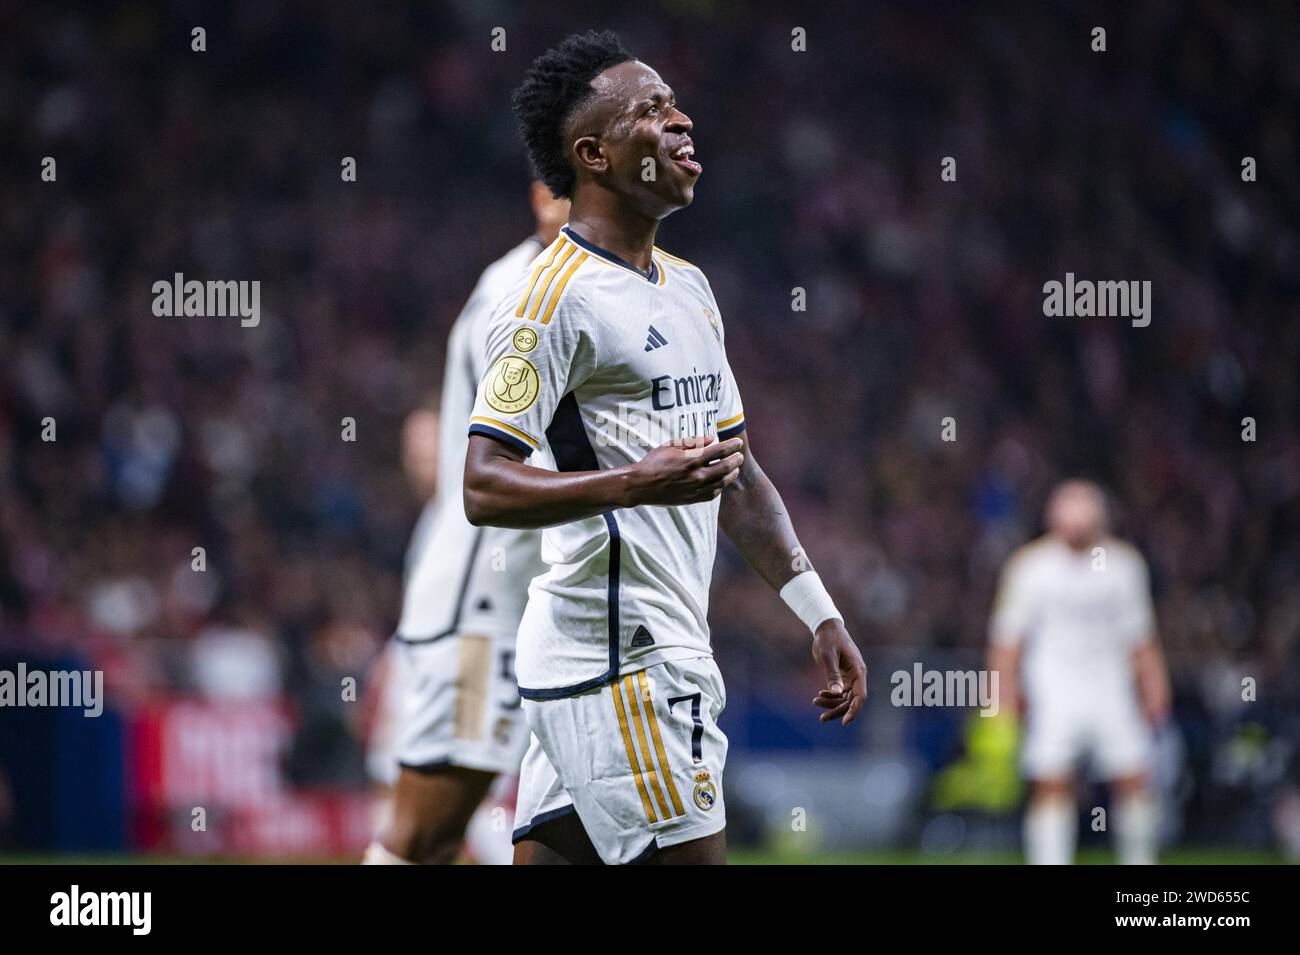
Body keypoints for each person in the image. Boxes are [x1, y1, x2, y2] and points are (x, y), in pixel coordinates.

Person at [463, 31, 867, 865]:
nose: (682, 121)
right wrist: (633, 482)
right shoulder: (546, 302)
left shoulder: (688, 286)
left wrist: (816, 609)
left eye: (674, 102)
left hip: (625, 655)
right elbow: (484, 484)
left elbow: (739, 473)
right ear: (594, 154)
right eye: (650, 111)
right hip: (623, 661)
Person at [363, 182, 570, 864]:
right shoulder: (517, 290)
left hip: (551, 602)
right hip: (486, 607)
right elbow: (511, 459)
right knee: (427, 832)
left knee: (564, 826)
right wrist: (637, 485)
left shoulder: (601, 285)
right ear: (546, 198)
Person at [988, 479, 1172, 864]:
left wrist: (1155, 687)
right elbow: (1007, 641)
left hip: (1111, 686)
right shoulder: (1031, 567)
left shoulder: (1123, 566)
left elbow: (1141, 639)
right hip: (1053, 687)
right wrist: (1003, 698)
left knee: (1132, 779)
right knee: (1051, 782)